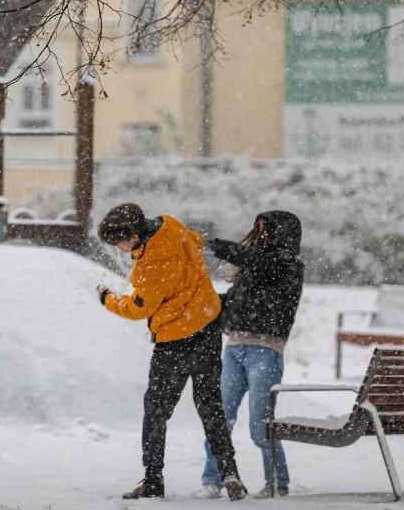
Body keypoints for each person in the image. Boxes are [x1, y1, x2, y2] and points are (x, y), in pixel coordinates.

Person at [95, 203, 248, 501]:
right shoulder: (171, 225)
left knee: (156, 411)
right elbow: (197, 240)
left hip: (175, 340)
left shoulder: (151, 264)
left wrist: (107, 298)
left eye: (120, 242)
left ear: (134, 235)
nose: (120, 249)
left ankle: (153, 480)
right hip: (207, 327)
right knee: (210, 406)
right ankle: (230, 474)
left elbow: (138, 308)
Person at [198, 210, 304, 500]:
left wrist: (212, 244)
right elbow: (227, 306)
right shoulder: (252, 269)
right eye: (259, 229)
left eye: (267, 230)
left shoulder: (287, 266)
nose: (261, 235)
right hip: (233, 349)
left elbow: (256, 260)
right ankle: (212, 479)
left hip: (265, 354)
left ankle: (277, 482)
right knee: (221, 420)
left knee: (260, 426)